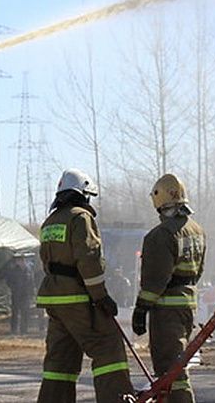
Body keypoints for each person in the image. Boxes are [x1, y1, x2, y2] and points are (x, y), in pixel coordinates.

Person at [35, 169, 134, 403]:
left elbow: (46, 261)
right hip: (78, 298)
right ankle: (118, 397)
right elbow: (88, 259)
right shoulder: (81, 217)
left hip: (55, 299)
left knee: (61, 359)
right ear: (82, 194)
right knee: (107, 347)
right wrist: (101, 297)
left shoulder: (50, 221)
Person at [132, 174, 206, 403]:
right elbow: (198, 271)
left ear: (159, 201)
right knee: (177, 364)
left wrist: (141, 309)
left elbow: (155, 280)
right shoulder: (197, 230)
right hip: (188, 306)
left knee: (171, 369)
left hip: (166, 311)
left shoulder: (160, 235)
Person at [0, 255, 35, 335]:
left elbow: (31, 282)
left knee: (25, 312)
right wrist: (13, 287)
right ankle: (14, 330)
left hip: (26, 294)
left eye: (22, 260)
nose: (21, 262)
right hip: (16, 294)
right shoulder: (13, 270)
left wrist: (32, 292)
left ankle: (24, 330)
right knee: (15, 312)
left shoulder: (29, 270)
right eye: (19, 260)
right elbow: (9, 280)